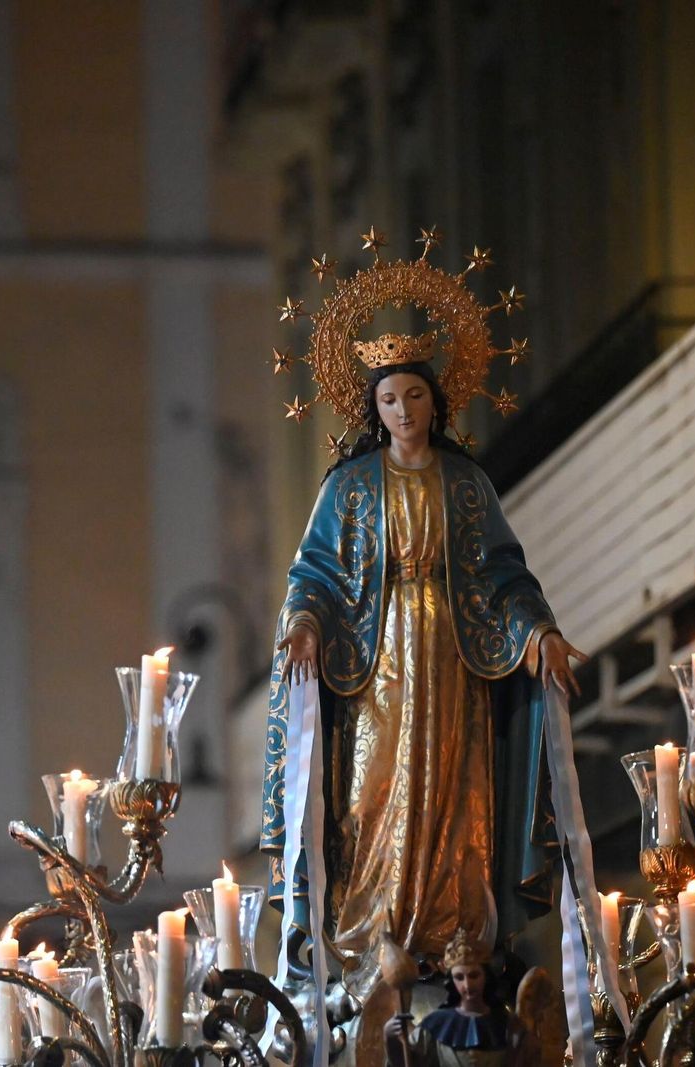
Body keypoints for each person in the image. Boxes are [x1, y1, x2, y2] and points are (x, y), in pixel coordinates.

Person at [259, 334, 584, 981]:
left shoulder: (466, 482)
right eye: (388, 398)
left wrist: (537, 632)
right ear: (372, 409)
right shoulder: (349, 487)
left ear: (435, 402)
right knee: (371, 793)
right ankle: (371, 933)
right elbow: (314, 574)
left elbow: (503, 574)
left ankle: (456, 934)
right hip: (373, 666)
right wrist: (303, 624)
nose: (403, 409)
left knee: (456, 793)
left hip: (453, 660)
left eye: (413, 395)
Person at [382, 928, 539, 1066]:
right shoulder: (436, 1024)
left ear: (486, 976)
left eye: (474, 975)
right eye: (459, 977)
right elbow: (410, 1062)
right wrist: (391, 1039)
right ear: (451, 980)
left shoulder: (508, 1024)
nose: (467, 985)